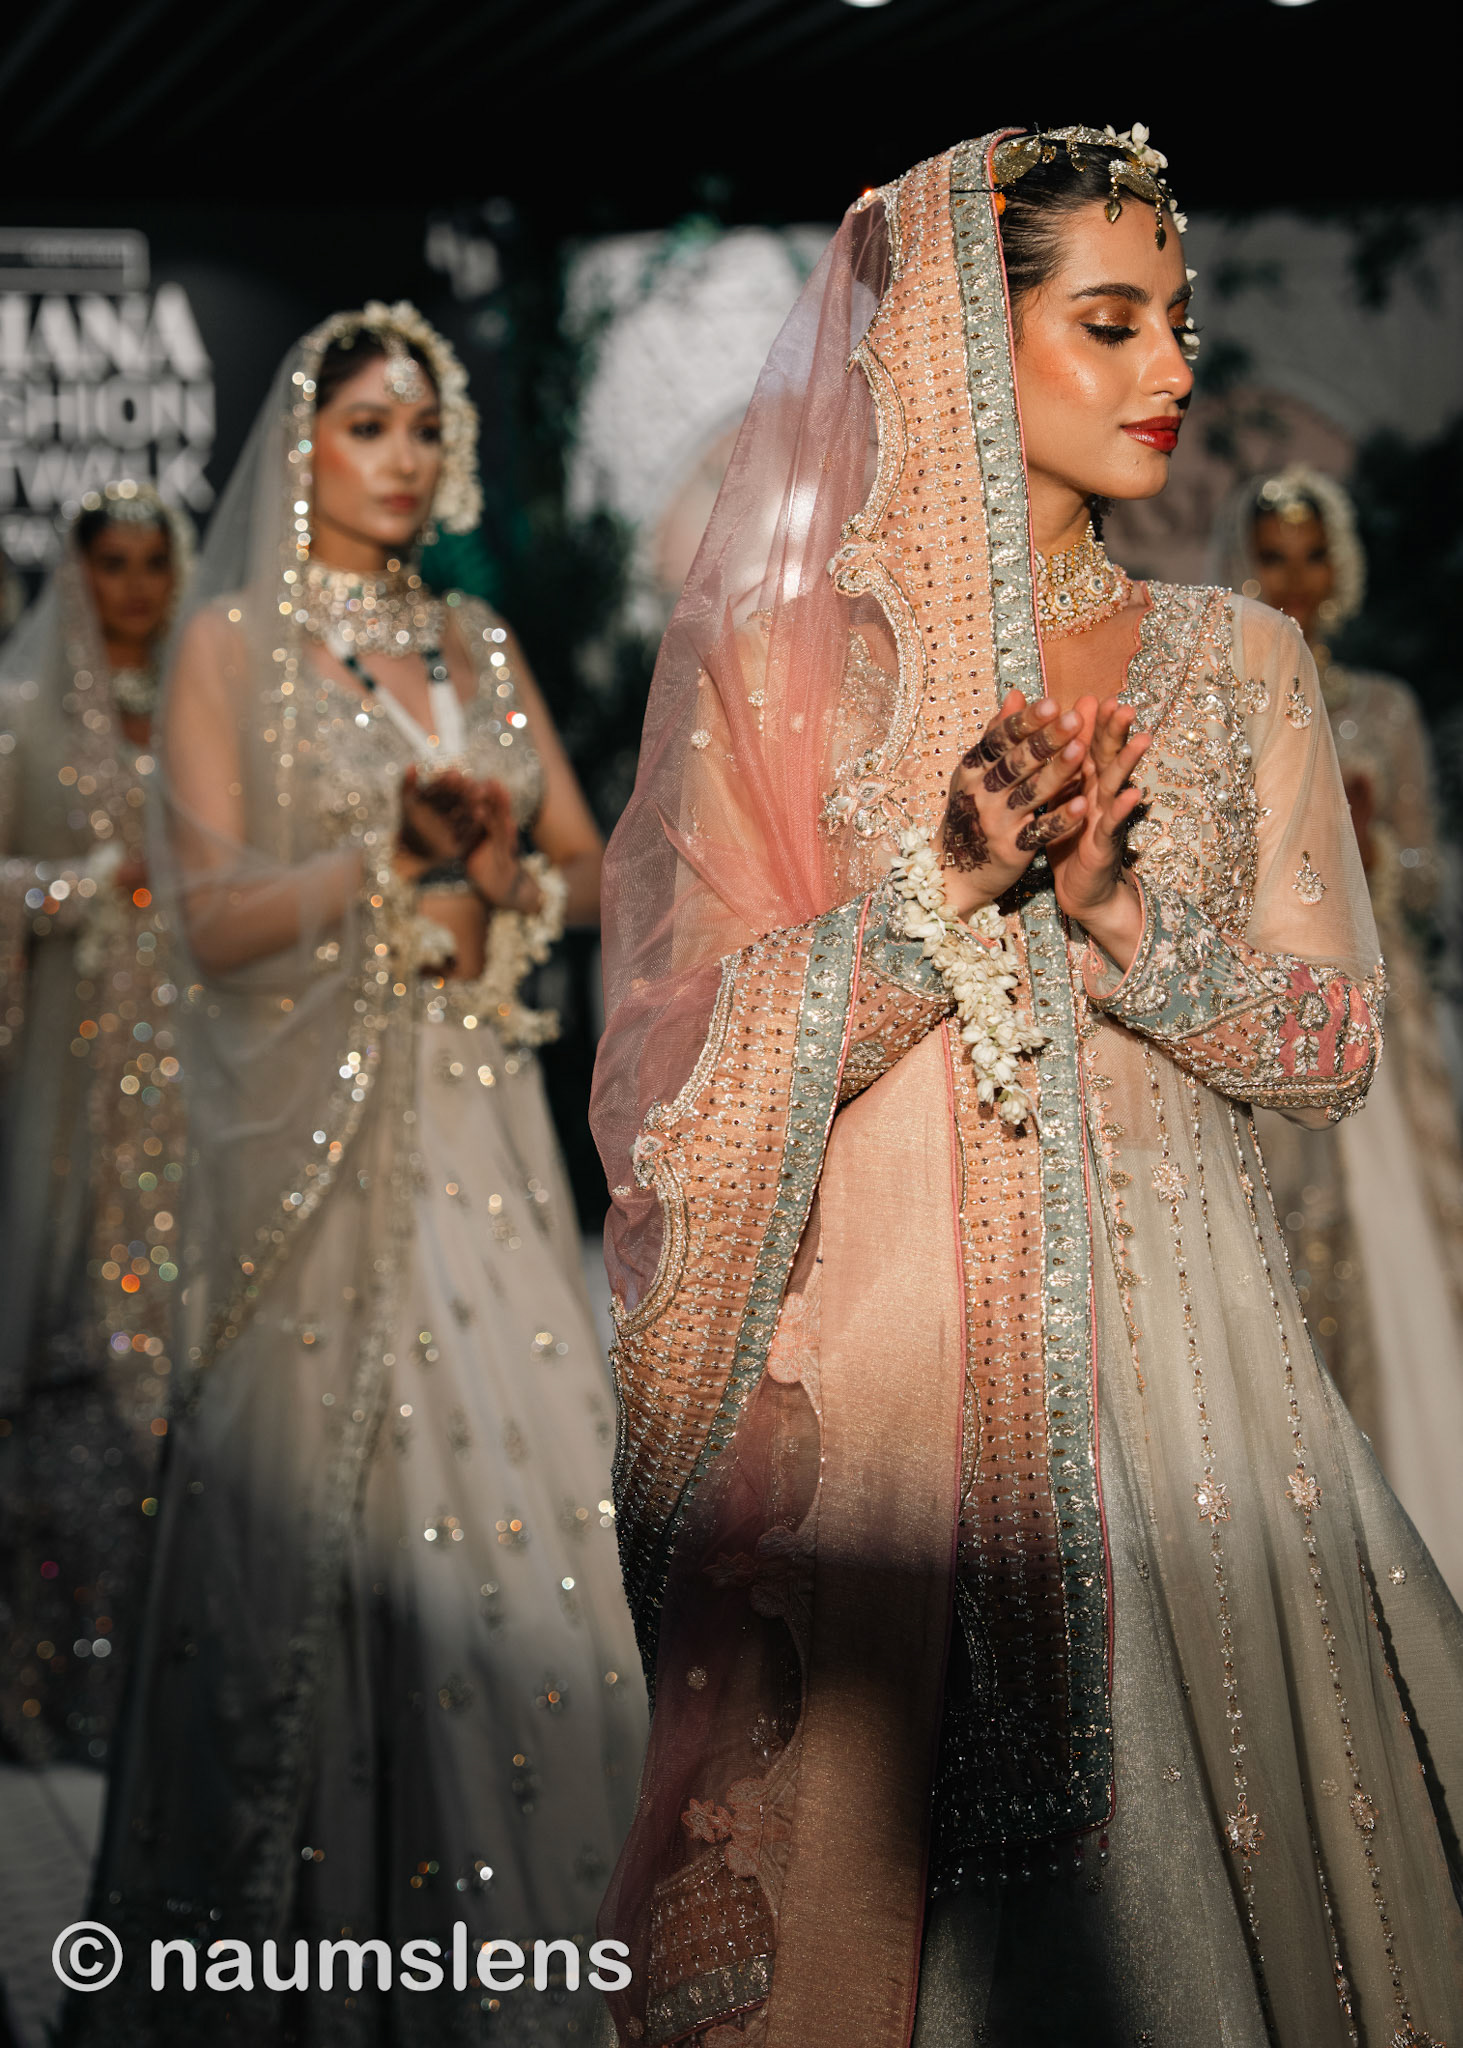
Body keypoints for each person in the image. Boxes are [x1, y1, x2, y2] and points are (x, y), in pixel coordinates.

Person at [590, 129, 1463, 2047]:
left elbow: (1328, 1050)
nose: (1172, 370)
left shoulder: (1238, 660)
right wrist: (937, 896)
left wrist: (1121, 915)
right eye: (1111, 320)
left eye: (1182, 321)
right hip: (893, 1410)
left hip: (1193, 1387)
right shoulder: (784, 675)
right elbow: (679, 1080)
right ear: (960, 351)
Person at [85, 305, 645, 2043]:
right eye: (367, 428)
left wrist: (506, 871)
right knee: (331, 1545)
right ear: (302, 448)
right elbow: (211, 923)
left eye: (423, 428)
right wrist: (380, 865)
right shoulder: (231, 645)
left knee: (528, 1529)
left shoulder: (474, 640)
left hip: (481, 1132)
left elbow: (595, 869)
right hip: (314, 1169)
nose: (402, 459)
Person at [1213, 464, 1463, 1600]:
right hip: (1283, 1007)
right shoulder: (1227, 700)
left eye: (1311, 554)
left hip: (1377, 1014)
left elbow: (1426, 873)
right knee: (1290, 1243)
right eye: (1274, 555)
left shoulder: (1380, 710)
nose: (1295, 578)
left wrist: (1375, 852)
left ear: (1340, 563)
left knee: (1402, 1233)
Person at [0, 482, 192, 1768]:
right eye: (110, 562)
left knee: (180, 1355)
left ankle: (177, 1677)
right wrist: (83, 887)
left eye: (151, 561)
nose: (133, 585)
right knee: (69, 1347)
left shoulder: (206, 713)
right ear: (77, 573)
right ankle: (53, 1680)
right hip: (68, 1085)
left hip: (192, 1079)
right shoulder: (23, 717)